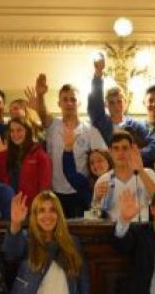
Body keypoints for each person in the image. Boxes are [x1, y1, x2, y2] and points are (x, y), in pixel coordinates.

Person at [31, 74, 108, 218]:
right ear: (59, 103)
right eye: (65, 100)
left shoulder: (90, 130)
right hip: (54, 192)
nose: (69, 103)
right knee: (57, 231)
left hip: (81, 193)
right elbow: (42, 114)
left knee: (84, 228)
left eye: (73, 100)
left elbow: (105, 160)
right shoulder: (53, 125)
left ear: (79, 103)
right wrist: (40, 96)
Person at [93, 131, 155, 222]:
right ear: (110, 152)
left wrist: (140, 171)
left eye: (125, 148)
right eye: (116, 148)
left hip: (141, 232)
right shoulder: (103, 179)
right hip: (113, 233)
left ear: (132, 150)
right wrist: (96, 199)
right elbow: (93, 217)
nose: (120, 153)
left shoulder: (148, 174)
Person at [86, 56, 146, 144]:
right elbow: (95, 102)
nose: (116, 106)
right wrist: (98, 75)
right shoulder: (101, 123)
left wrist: (137, 152)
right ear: (106, 105)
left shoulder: (136, 126)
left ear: (125, 103)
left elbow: (150, 143)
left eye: (119, 101)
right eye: (111, 103)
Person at [0, 117, 52, 202]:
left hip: (31, 206)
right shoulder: (6, 153)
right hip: (10, 204)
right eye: (12, 131)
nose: (15, 134)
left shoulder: (39, 155)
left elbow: (45, 186)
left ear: (28, 131)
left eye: (19, 130)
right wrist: (1, 154)